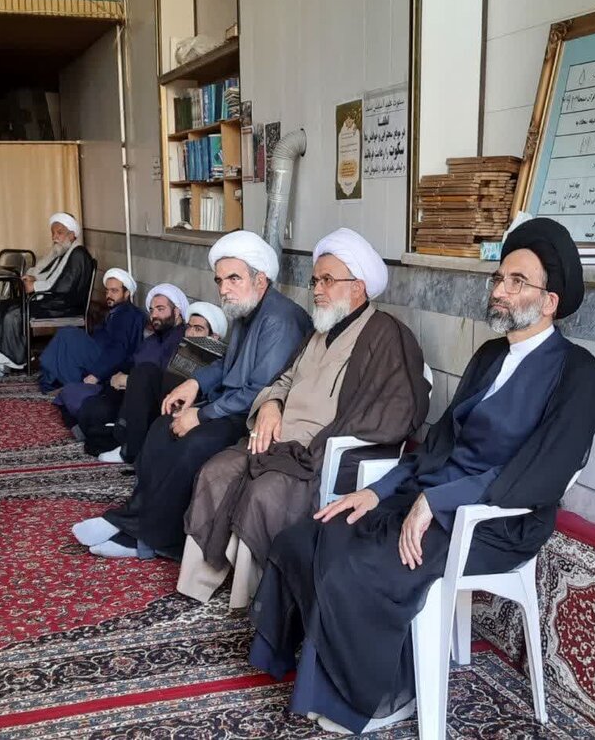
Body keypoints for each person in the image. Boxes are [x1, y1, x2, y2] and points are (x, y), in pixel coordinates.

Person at [247, 217, 595, 735]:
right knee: (308, 537)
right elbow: (439, 445)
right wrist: (378, 492)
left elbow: (539, 474)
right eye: (499, 278)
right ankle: (315, 669)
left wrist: (438, 502)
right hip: (431, 498)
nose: (499, 291)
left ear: (550, 301)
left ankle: (380, 697)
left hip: (496, 520)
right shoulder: (489, 357)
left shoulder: (579, 374)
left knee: (359, 565)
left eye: (516, 282)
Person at [177, 228, 430, 609]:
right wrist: (271, 405)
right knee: (216, 470)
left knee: (265, 492)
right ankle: (197, 583)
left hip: (316, 451)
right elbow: (283, 379)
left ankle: (249, 599)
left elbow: (401, 408)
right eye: (315, 281)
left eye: (328, 280)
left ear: (358, 287)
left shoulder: (387, 334)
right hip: (277, 437)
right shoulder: (318, 331)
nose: (317, 290)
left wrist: (325, 438)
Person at [72, 230, 312, 560]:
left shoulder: (280, 319)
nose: (224, 289)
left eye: (233, 278)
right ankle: (133, 519)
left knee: (191, 444)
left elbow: (259, 391)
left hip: (252, 417)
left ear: (260, 279)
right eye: (220, 280)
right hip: (229, 405)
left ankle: (151, 538)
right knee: (162, 427)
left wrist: (200, 415)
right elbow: (228, 364)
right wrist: (194, 384)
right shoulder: (246, 308)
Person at [0, 211, 94, 377]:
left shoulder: (78, 254)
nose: (54, 237)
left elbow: (65, 287)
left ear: (72, 234)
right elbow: (50, 276)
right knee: (0, 307)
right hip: (52, 300)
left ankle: (4, 365)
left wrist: (35, 286)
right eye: (53, 233)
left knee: (13, 314)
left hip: (63, 306)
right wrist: (34, 279)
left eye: (59, 233)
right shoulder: (63, 251)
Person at [94, 301, 229, 463]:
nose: (191, 333)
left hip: (186, 412)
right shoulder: (181, 347)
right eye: (189, 327)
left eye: (198, 329)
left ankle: (129, 448)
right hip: (163, 404)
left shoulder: (219, 364)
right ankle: (126, 438)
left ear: (214, 337)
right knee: (144, 371)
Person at [75, 283, 190, 457]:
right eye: (152, 310)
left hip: (152, 403)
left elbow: (163, 378)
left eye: (160, 309)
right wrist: (117, 376)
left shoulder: (180, 340)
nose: (154, 315)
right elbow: (132, 361)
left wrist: (129, 380)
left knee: (96, 415)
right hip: (125, 393)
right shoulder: (152, 339)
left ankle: (124, 443)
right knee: (89, 407)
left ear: (177, 312)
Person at [40, 268, 146, 420]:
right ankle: (55, 381)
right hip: (101, 356)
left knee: (69, 334)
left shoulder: (128, 314)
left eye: (114, 291)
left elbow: (119, 349)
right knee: (67, 336)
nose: (109, 295)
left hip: (111, 364)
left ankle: (57, 382)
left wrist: (96, 374)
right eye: (107, 291)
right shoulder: (116, 311)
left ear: (127, 293)